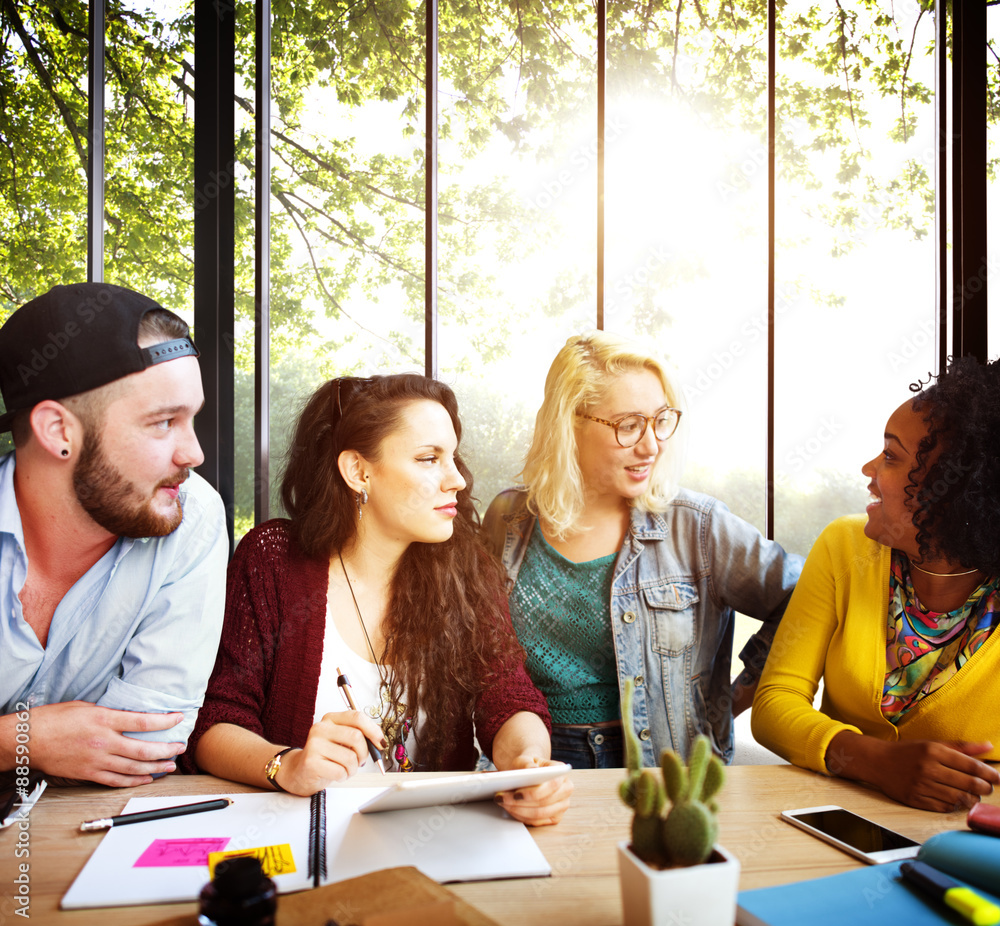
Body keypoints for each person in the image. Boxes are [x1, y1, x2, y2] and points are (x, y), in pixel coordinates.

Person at [185, 374, 572, 826]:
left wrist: (527, 764)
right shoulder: (272, 561)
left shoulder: (466, 568)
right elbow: (215, 720)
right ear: (358, 471)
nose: (457, 480)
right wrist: (285, 764)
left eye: (453, 457)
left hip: (434, 836)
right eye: (430, 459)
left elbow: (506, 695)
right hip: (301, 832)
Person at [482, 332, 803, 769]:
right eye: (629, 425)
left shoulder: (699, 526)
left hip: (661, 772)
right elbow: (483, 649)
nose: (651, 445)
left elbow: (806, 599)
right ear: (569, 424)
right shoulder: (508, 518)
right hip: (532, 760)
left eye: (660, 420)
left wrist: (733, 699)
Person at [0, 282, 227, 787]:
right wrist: (24, 740)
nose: (194, 455)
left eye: (192, 419)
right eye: (164, 422)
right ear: (58, 431)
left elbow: (146, 746)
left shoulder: (193, 516)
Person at [752, 357, 1000, 812]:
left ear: (954, 491)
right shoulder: (845, 548)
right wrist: (876, 761)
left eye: (891, 457)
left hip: (970, 840)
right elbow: (774, 705)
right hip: (839, 823)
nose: (868, 469)